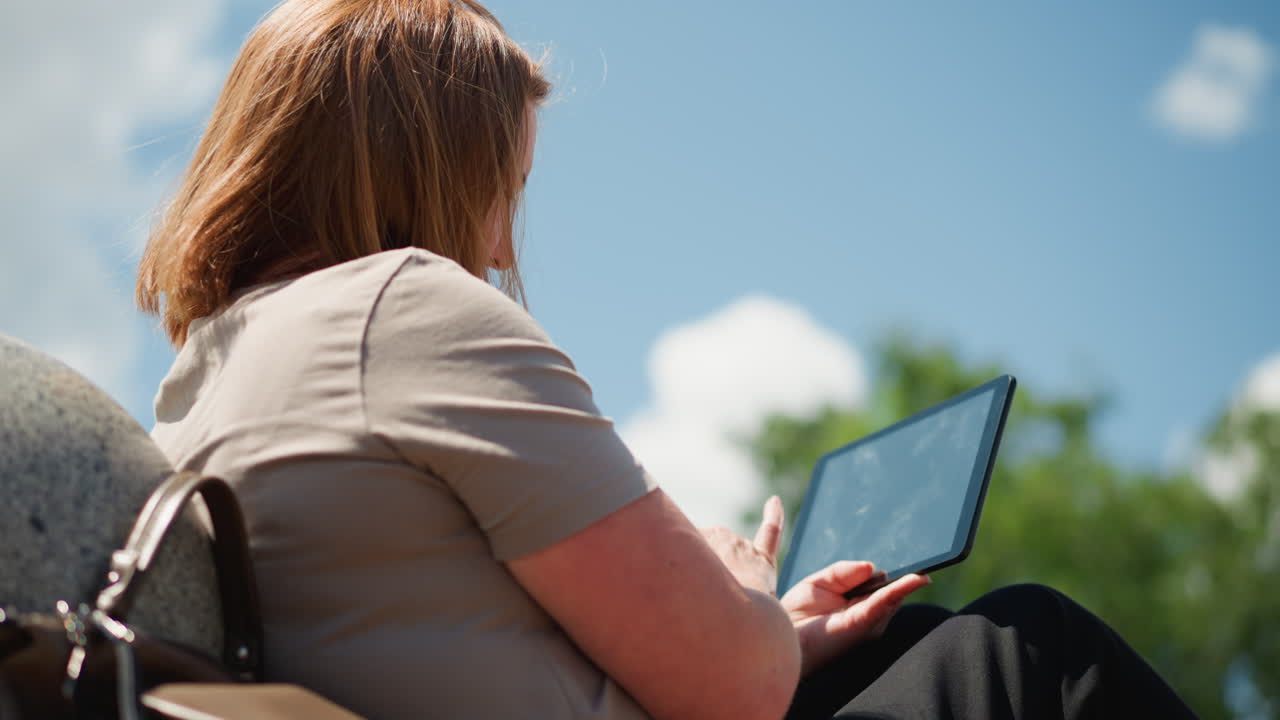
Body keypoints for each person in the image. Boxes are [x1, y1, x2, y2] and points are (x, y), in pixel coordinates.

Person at [137, 1, 1199, 718]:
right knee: (1020, 647)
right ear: (426, 172)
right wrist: (739, 589)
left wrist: (777, 637)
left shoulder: (200, 378)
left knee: (895, 643)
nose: (501, 245)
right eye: (502, 191)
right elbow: (730, 689)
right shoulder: (401, 308)